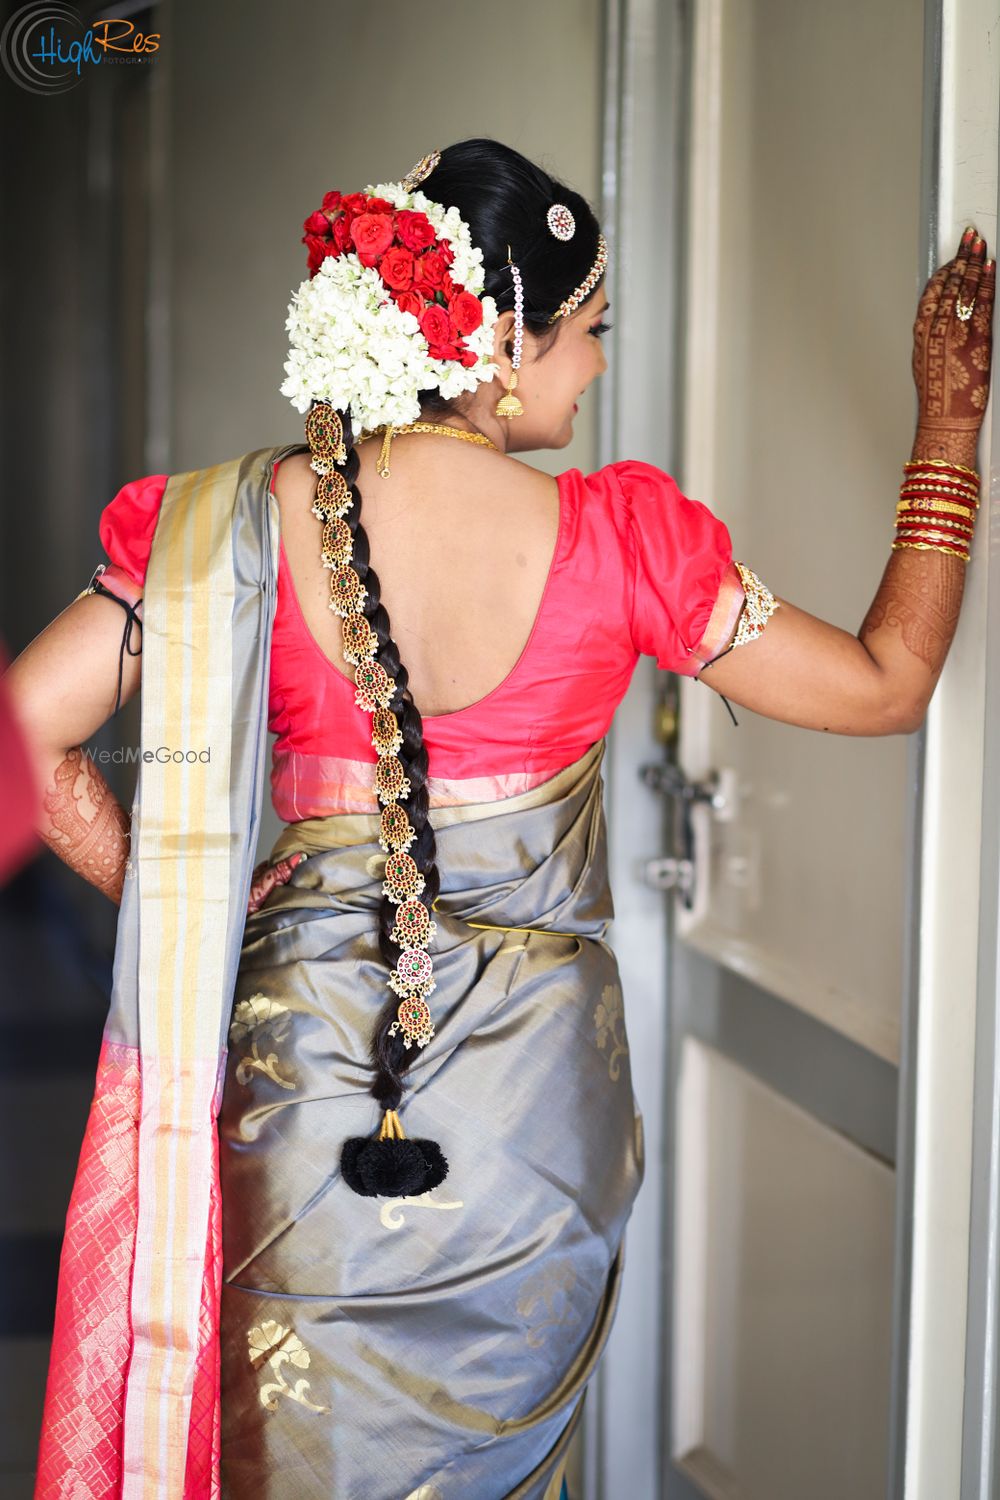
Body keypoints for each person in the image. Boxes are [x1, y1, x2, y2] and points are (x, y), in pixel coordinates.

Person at [4, 138, 992, 1500]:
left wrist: (200, 915)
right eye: (589, 333)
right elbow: (888, 686)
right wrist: (948, 429)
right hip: (533, 1126)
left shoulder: (229, 521)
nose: (594, 367)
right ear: (504, 346)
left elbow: (26, 728)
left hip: (299, 1092)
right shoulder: (626, 541)